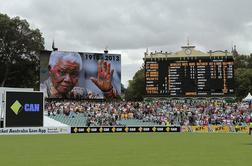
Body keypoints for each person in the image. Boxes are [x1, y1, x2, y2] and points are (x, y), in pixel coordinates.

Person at [40, 51, 118, 99]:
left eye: (74, 74)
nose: (68, 79)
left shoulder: (82, 93)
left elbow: (113, 104)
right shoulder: (39, 94)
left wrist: (108, 91)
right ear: (50, 69)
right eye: (62, 72)